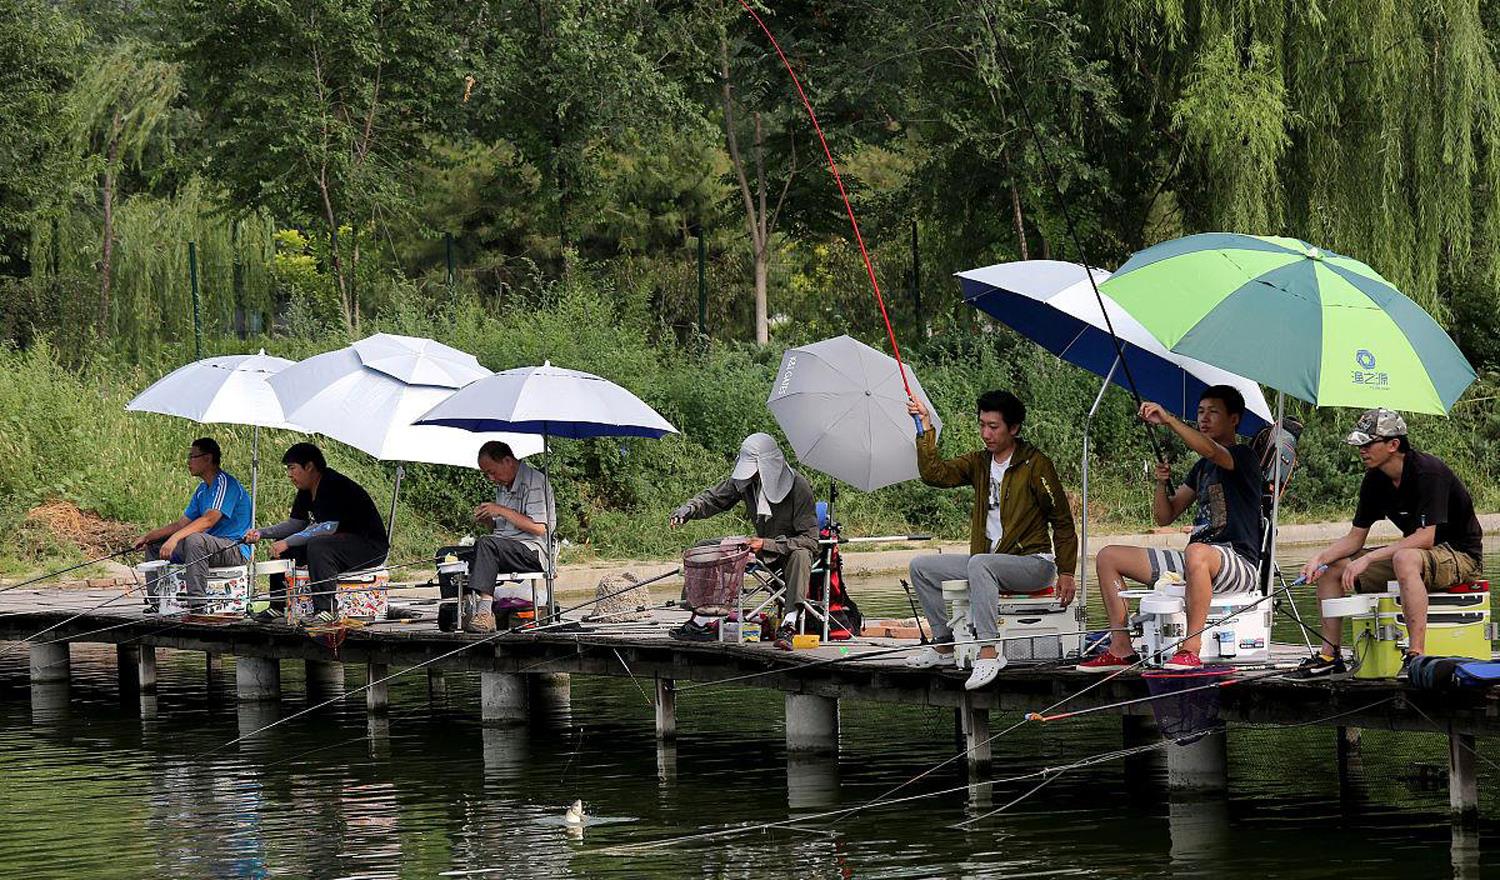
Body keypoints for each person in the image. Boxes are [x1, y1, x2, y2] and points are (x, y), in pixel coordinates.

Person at [1080, 386, 1263, 672]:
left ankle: (1191, 647)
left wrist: (1169, 421)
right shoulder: (1201, 468)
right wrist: (1161, 483)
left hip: (1238, 563)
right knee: (1108, 556)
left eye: (1213, 412)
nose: (1204, 418)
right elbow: (1166, 516)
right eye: (1200, 412)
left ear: (1234, 419)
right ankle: (1120, 647)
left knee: (1197, 553)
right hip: (1196, 560)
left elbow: (1212, 450)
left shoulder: (1242, 456)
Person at [905, 391, 1078, 690]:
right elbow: (935, 474)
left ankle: (989, 651)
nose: (986, 434)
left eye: (994, 426)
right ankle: (944, 644)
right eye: (982, 425)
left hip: (1033, 564)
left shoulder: (1036, 465)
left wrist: (1066, 571)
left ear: (1014, 428)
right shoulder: (979, 463)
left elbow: (1061, 520)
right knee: (922, 567)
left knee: (981, 564)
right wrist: (926, 429)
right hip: (987, 563)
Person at [1295, 408, 1483, 678]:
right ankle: (1329, 655)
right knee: (1333, 567)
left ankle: (1415, 655)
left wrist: (1369, 558)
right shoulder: (1374, 479)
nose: (1362, 449)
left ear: (1393, 444)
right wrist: (1319, 559)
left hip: (1460, 555)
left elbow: (1425, 538)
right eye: (1360, 443)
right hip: (1419, 557)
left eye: (1369, 443)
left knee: (1404, 557)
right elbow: (1355, 537)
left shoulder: (1428, 472)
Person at [669, 432, 820, 650]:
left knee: (801, 555)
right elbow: (713, 498)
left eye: (756, 470)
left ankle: (789, 624)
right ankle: (702, 618)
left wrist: (766, 544)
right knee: (704, 548)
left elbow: (809, 540)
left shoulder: (798, 486)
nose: (752, 475)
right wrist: (687, 510)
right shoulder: (745, 482)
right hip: (758, 548)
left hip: (788, 551)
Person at [245, 443, 388, 624]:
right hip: (338, 543)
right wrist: (261, 533)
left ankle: (326, 609)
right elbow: (295, 524)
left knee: (318, 545)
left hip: (369, 546)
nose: (289, 474)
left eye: (292, 468)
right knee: (285, 548)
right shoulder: (305, 491)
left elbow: (328, 527)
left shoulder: (334, 485)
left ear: (310, 467)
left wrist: (288, 542)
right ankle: (277, 605)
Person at [133, 437, 253, 611]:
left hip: (233, 548)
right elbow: (182, 524)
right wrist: (148, 537)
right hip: (207, 548)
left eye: (192, 457)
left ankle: (197, 603)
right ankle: (157, 602)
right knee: (154, 546)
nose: (188, 462)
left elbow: (209, 520)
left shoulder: (225, 484)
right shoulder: (202, 490)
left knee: (195, 539)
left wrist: (175, 538)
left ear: (208, 458)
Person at [462, 441, 556, 634]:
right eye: (486, 474)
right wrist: (489, 520)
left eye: (492, 472)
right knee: (448, 556)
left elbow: (539, 528)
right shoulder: (503, 485)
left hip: (532, 551)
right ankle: (462, 610)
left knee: (486, 544)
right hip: (503, 549)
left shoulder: (535, 482)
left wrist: (501, 510)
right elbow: (502, 529)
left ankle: (485, 613)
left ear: (507, 461)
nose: (491, 478)